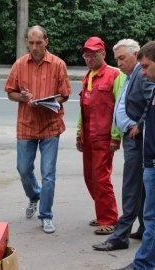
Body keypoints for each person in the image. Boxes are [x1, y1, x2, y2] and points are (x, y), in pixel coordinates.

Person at [4, 25, 71, 234]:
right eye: (31, 43)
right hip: (26, 124)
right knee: (23, 168)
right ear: (26, 42)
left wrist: (50, 101)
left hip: (51, 124)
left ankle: (46, 215)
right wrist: (22, 98)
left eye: (38, 43)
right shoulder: (19, 64)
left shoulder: (58, 64)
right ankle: (34, 195)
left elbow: (65, 94)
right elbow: (10, 92)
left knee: (48, 173)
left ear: (46, 42)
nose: (34, 47)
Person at [93, 39, 153, 251]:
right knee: (140, 187)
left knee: (131, 187)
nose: (118, 63)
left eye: (122, 58)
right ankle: (145, 228)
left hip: (137, 140)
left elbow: (151, 100)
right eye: (116, 58)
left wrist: (141, 124)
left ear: (135, 55)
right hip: (130, 138)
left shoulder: (142, 75)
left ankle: (120, 237)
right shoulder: (130, 75)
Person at [76, 36, 126, 235]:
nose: (89, 58)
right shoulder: (88, 76)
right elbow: (83, 109)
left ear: (103, 54)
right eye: (86, 55)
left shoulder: (115, 75)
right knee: (90, 177)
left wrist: (116, 136)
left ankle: (109, 219)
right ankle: (103, 211)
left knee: (101, 178)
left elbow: (119, 107)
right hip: (88, 137)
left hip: (104, 137)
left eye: (93, 54)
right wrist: (79, 134)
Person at [118, 40, 155, 270]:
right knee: (150, 219)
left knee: (151, 220)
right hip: (149, 162)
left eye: (146, 66)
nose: (142, 72)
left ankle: (143, 264)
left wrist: (138, 125)